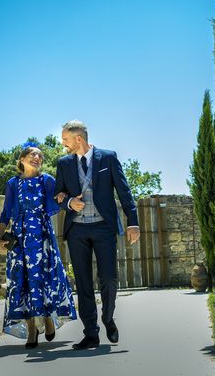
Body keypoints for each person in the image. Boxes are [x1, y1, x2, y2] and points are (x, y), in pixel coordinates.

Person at [55, 120, 140, 350]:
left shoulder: (108, 158)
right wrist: (70, 202)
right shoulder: (63, 163)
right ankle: (90, 333)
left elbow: (124, 191)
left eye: (65, 139)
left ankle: (108, 318)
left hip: (104, 227)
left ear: (78, 139)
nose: (63, 143)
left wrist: (133, 223)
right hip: (77, 231)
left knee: (109, 277)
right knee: (83, 282)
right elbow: (58, 195)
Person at [0, 142, 77, 349]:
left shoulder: (47, 181)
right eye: (32, 154)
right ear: (22, 159)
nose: (37, 157)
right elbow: (6, 212)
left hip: (42, 238)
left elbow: (61, 197)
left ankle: (49, 319)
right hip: (19, 239)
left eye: (40, 156)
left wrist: (70, 199)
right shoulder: (13, 184)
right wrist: (0, 235)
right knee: (21, 282)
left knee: (45, 278)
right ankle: (31, 329)